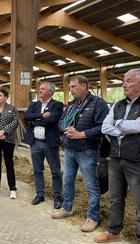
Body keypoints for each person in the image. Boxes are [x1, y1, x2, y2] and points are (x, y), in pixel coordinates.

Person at [95, 68, 140, 244]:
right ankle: (114, 231)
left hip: (139, 160)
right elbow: (105, 127)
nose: (124, 84)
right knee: (115, 198)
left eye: (129, 81)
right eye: (124, 81)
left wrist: (118, 125)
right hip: (116, 158)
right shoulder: (117, 104)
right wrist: (124, 127)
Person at [51, 75, 109, 233]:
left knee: (91, 185)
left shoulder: (98, 103)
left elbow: (103, 127)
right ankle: (67, 208)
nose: (71, 90)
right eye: (70, 87)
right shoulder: (71, 105)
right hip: (69, 149)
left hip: (87, 150)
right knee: (68, 181)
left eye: (73, 87)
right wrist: (66, 130)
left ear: (84, 86)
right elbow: (61, 122)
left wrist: (81, 134)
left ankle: (92, 217)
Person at [23, 82, 63, 208]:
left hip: (49, 143)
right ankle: (40, 194)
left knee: (55, 171)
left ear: (50, 92)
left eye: (42, 89)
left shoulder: (57, 104)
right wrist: (41, 116)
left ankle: (57, 196)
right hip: (35, 143)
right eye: (39, 89)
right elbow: (26, 116)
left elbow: (52, 120)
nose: (39, 91)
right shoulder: (34, 104)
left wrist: (34, 122)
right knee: (37, 170)